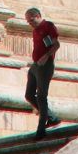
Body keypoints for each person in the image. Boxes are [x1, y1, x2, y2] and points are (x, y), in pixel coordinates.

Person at [24, 7, 61, 138]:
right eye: (28, 21)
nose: (30, 23)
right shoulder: (35, 30)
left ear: (38, 15)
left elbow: (56, 45)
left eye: (32, 20)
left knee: (41, 96)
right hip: (36, 66)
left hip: (45, 65)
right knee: (29, 95)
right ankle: (51, 117)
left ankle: (41, 129)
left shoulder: (48, 26)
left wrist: (46, 56)